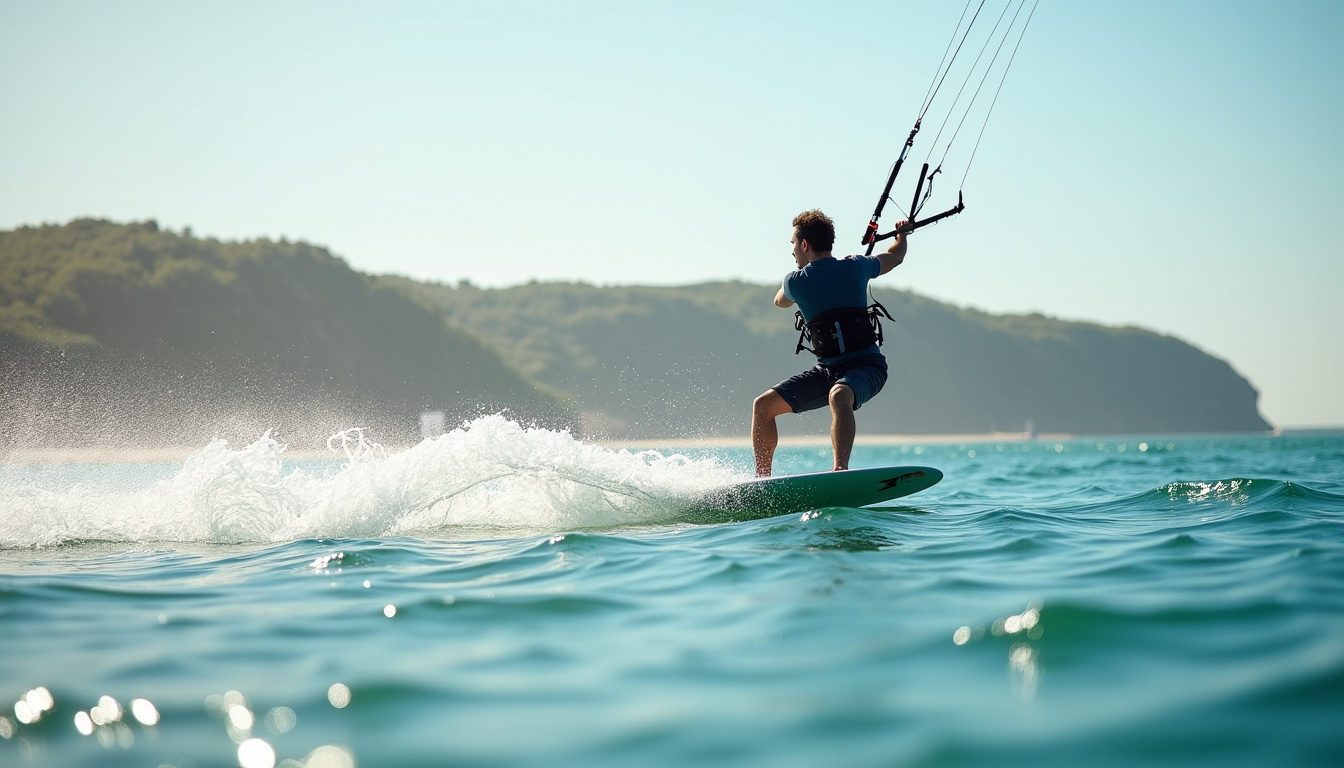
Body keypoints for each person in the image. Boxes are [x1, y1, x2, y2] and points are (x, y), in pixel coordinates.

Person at [751, 209, 909, 476]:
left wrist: (806, 274)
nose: (792, 251)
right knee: (763, 405)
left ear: (804, 244)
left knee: (839, 395)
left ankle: (840, 469)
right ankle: (762, 480)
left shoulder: (795, 281)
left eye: (793, 244)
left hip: (866, 366)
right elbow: (895, 257)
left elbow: (780, 301)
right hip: (826, 370)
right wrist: (901, 235)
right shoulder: (856, 266)